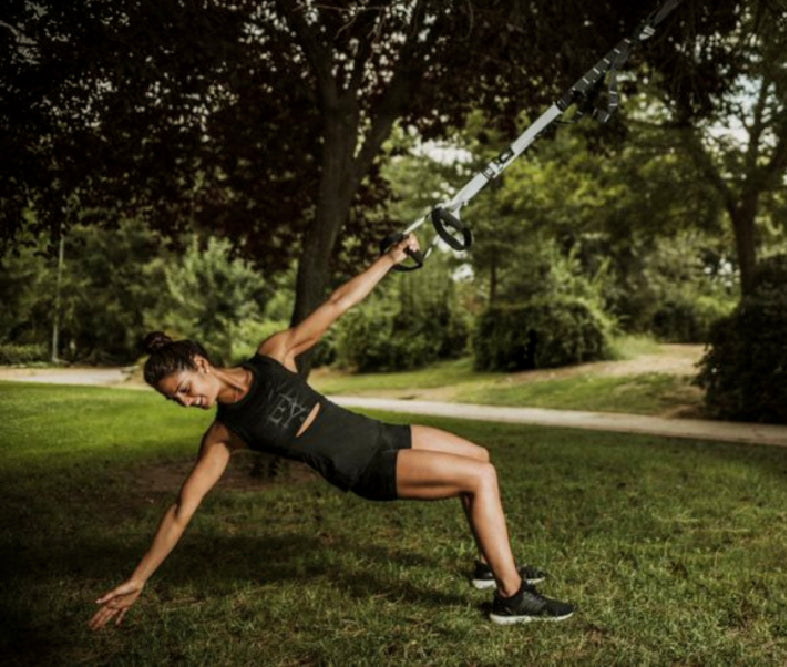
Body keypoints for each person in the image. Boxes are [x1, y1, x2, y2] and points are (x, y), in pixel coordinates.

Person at [88, 234, 573, 629]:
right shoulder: (224, 435)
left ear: (200, 362)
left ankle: (493, 565)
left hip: (379, 433)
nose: (187, 401)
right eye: (177, 399)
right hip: (365, 467)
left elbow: (339, 304)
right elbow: (181, 509)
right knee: (479, 480)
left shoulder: (274, 355)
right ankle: (511, 598)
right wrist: (139, 578)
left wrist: (389, 259)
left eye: (186, 388)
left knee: (481, 458)